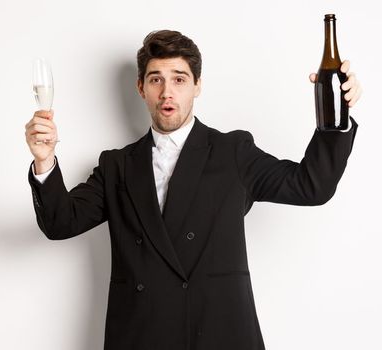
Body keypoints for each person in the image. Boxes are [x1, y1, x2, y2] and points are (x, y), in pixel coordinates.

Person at [25, 29, 362, 350]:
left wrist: (337, 114)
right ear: (141, 87)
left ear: (197, 86)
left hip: (218, 335)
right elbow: (60, 223)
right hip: (141, 337)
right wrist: (45, 160)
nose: (167, 92)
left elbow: (311, 186)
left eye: (179, 79)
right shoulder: (117, 166)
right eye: (156, 79)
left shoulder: (233, 152)